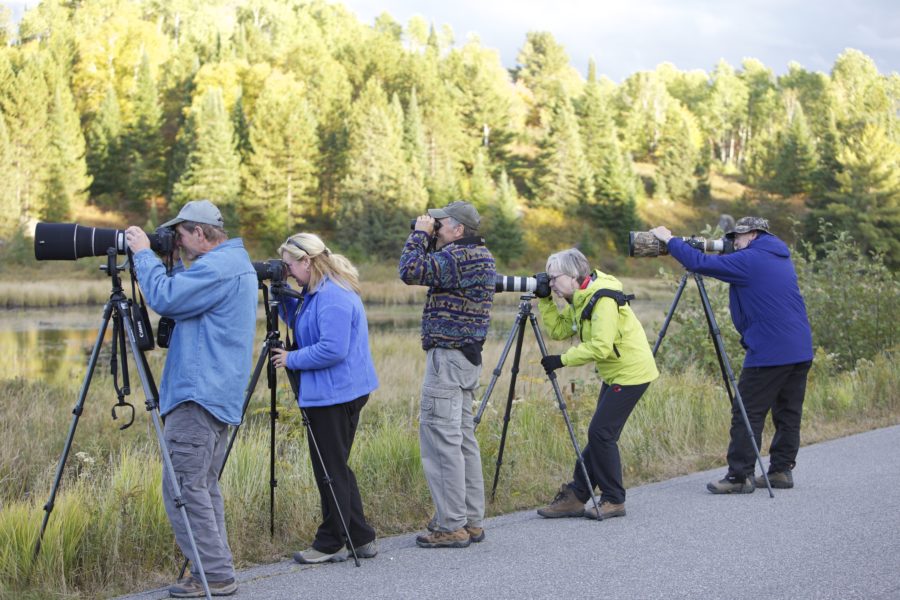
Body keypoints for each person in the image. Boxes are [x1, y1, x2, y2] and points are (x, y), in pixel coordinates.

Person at [125, 199, 257, 598]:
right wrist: (171, 260)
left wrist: (143, 255)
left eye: (180, 235)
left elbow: (165, 299)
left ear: (200, 233)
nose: (177, 243)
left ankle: (213, 575)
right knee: (202, 485)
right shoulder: (233, 264)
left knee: (184, 486)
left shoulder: (218, 268)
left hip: (198, 395)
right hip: (216, 392)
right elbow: (188, 296)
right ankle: (214, 568)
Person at [649, 217, 813, 493]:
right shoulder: (778, 254)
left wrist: (670, 240)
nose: (733, 243)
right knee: (788, 412)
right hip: (799, 347)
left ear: (752, 234)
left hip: (770, 351)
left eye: (737, 238)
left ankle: (740, 476)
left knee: (746, 411)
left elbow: (700, 264)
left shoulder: (750, 261)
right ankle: (781, 471)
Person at [269, 233, 379, 563]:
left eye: (289, 265)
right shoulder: (315, 291)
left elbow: (333, 349)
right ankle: (360, 537)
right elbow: (303, 323)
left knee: (329, 469)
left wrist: (291, 360)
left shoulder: (333, 296)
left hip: (335, 394)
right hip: (333, 391)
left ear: (307, 261)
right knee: (335, 466)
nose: (286, 271)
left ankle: (331, 543)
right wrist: (282, 296)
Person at [398, 200, 495, 549]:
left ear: (458, 230)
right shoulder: (481, 256)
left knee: (440, 438)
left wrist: (418, 236)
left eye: (439, 225)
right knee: (463, 439)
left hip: (448, 360)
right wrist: (428, 235)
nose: (433, 229)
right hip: (467, 360)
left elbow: (410, 270)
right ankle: (470, 520)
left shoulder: (458, 257)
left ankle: (451, 524)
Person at [536, 248, 659, 521]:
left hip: (632, 372)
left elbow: (602, 347)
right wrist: (545, 300)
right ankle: (578, 495)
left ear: (572, 275)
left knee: (602, 434)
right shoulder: (579, 298)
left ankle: (614, 499)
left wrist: (562, 360)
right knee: (599, 435)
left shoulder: (601, 298)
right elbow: (558, 330)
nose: (551, 282)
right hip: (617, 373)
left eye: (553, 278)